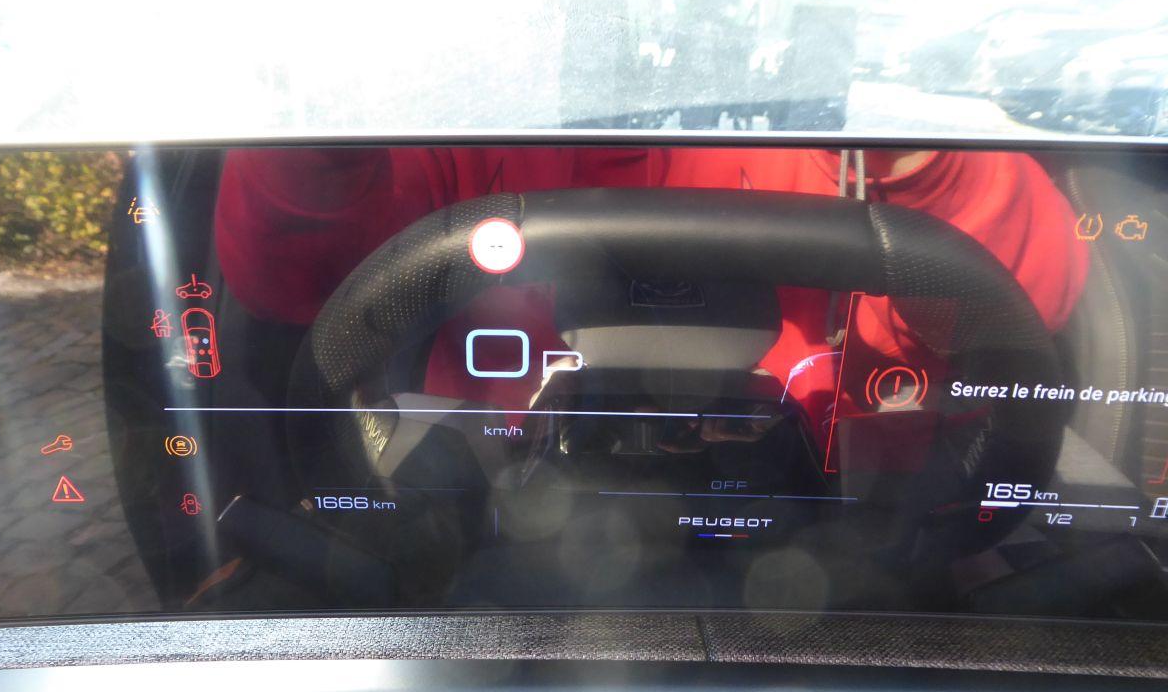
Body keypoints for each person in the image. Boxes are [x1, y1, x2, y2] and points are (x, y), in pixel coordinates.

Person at [213, 146, 1088, 449]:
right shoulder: (456, 113)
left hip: (836, 549)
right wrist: (321, 131)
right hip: (494, 533)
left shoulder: (853, 126)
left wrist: (918, 152)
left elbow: (1022, 300)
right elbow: (296, 282)